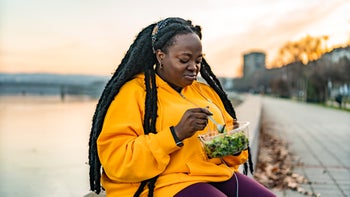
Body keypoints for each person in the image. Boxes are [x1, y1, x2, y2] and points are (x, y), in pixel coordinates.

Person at [88, 17, 276, 197]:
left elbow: (232, 154)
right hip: (162, 183)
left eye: (198, 61)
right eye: (184, 60)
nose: (194, 67)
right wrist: (175, 134)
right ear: (161, 56)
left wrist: (233, 146)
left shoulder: (205, 92)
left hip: (212, 174)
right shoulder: (134, 92)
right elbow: (116, 159)